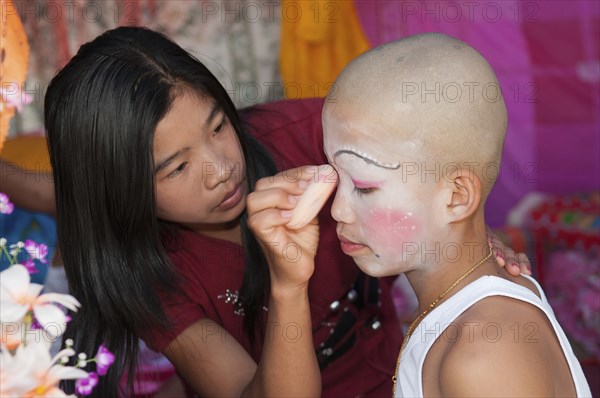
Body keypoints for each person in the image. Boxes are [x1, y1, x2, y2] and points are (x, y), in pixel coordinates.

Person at [44, 27, 530, 397]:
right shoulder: (151, 271)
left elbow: (429, 167)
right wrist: (288, 286)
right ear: (119, 189)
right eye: (176, 168)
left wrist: (465, 235)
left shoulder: (305, 133)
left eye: (217, 127)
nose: (220, 169)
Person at [310, 32, 590, 396]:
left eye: (364, 187)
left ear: (456, 197)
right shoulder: (463, 311)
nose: (337, 210)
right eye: (335, 175)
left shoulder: (483, 357)